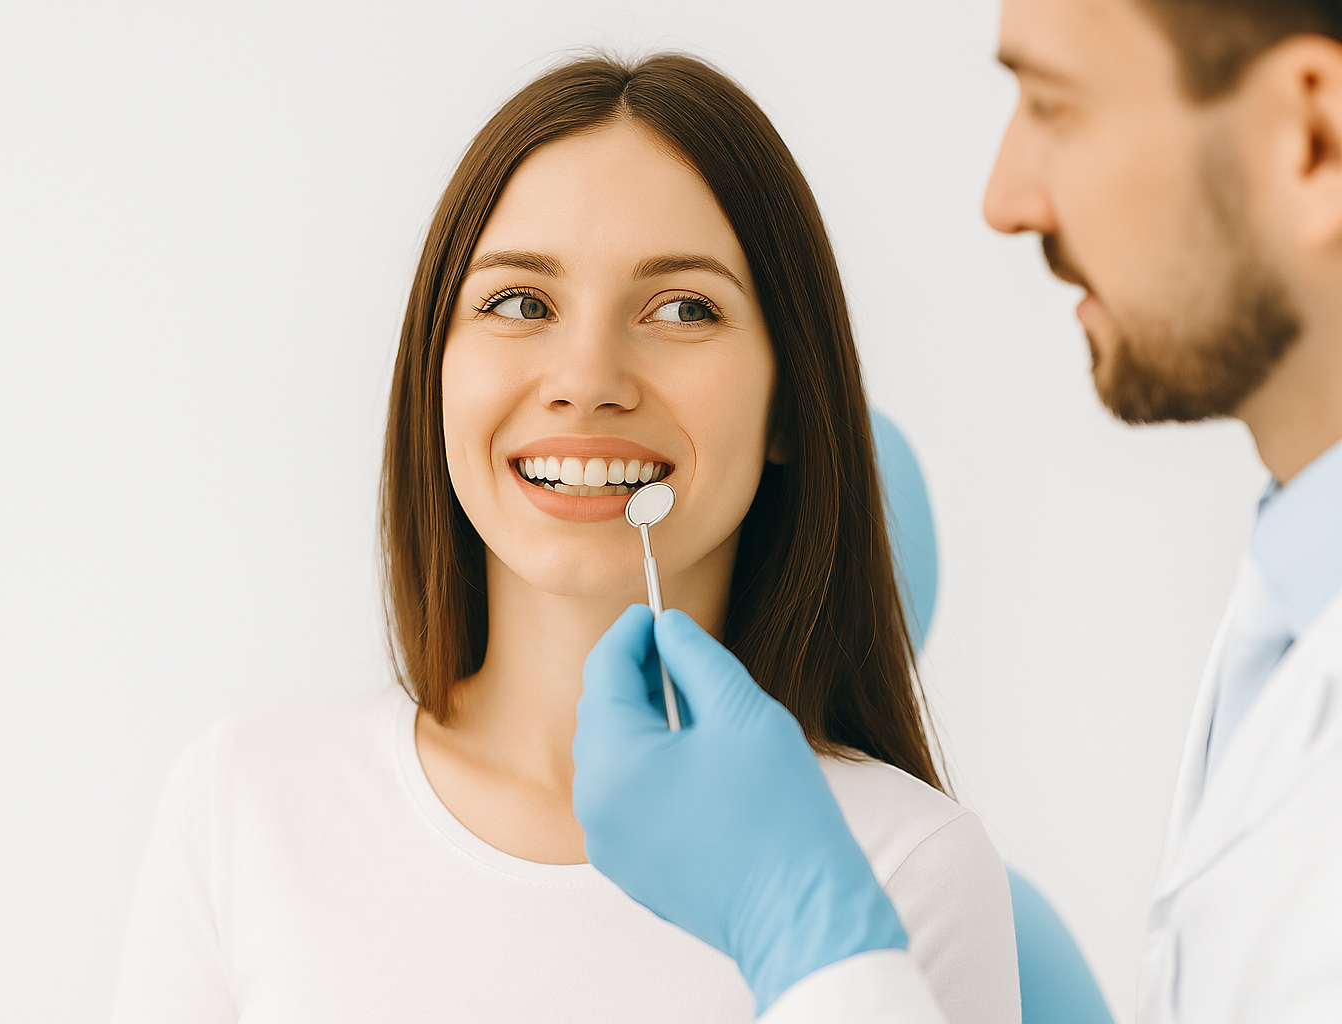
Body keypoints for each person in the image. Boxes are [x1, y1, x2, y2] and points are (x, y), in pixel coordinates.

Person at [109, 54, 1021, 1023]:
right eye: (520, 303)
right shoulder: (245, 803)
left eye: (682, 309)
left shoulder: (901, 869)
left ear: (791, 402)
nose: (587, 378)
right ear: (434, 376)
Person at [572, 0, 1342, 1021]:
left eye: (1055, 106)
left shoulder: (921, 863)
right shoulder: (1288, 618)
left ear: (1311, 139)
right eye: (518, 302)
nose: (1003, 197)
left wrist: (810, 939)